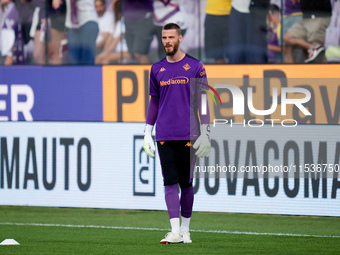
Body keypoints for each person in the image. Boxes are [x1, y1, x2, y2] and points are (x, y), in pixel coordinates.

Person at [143, 23, 211, 244]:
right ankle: (174, 232)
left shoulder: (195, 66)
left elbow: (203, 101)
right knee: (169, 182)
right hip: (164, 134)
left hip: (189, 134)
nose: (167, 42)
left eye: (171, 37)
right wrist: (147, 132)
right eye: (164, 38)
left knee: (186, 183)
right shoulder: (156, 69)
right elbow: (154, 101)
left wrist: (206, 131)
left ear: (180, 38)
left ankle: (186, 230)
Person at [52, 0, 98, 65]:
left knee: (86, 60)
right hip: (72, 25)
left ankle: (88, 75)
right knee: (73, 60)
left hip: (88, 20)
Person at [95, 0, 130, 64]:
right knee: (98, 59)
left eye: (113, 4)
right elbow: (109, 38)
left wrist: (104, 54)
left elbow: (115, 41)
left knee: (106, 58)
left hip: (127, 51)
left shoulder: (123, 21)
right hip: (117, 52)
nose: (111, 6)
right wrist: (104, 52)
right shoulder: (116, 22)